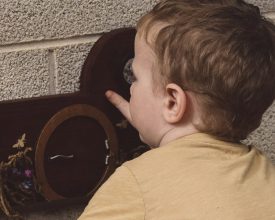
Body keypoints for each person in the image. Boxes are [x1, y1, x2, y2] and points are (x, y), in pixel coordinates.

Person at [78, 0, 275, 219]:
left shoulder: (135, 185)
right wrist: (158, 128)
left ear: (172, 102)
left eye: (134, 77)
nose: (131, 88)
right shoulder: (266, 176)